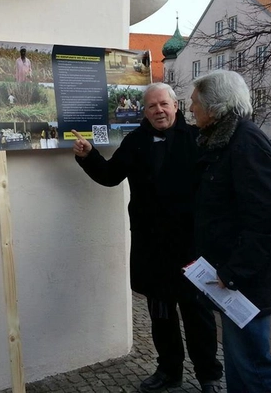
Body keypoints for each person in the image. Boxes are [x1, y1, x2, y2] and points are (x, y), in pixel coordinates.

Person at [73, 83, 223, 393]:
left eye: (164, 104)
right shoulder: (136, 141)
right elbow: (110, 175)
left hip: (191, 245)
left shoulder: (198, 138)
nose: (159, 110)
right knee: (161, 314)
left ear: (176, 106)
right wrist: (89, 156)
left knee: (197, 313)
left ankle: (208, 376)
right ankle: (169, 370)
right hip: (151, 245)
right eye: (152, 106)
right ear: (144, 111)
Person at [189, 70, 271, 393]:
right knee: (238, 360)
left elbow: (269, 221)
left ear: (214, 106)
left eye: (195, 103)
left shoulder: (245, 142)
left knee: (254, 365)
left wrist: (234, 272)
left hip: (246, 279)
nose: (190, 109)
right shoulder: (222, 139)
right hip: (233, 275)